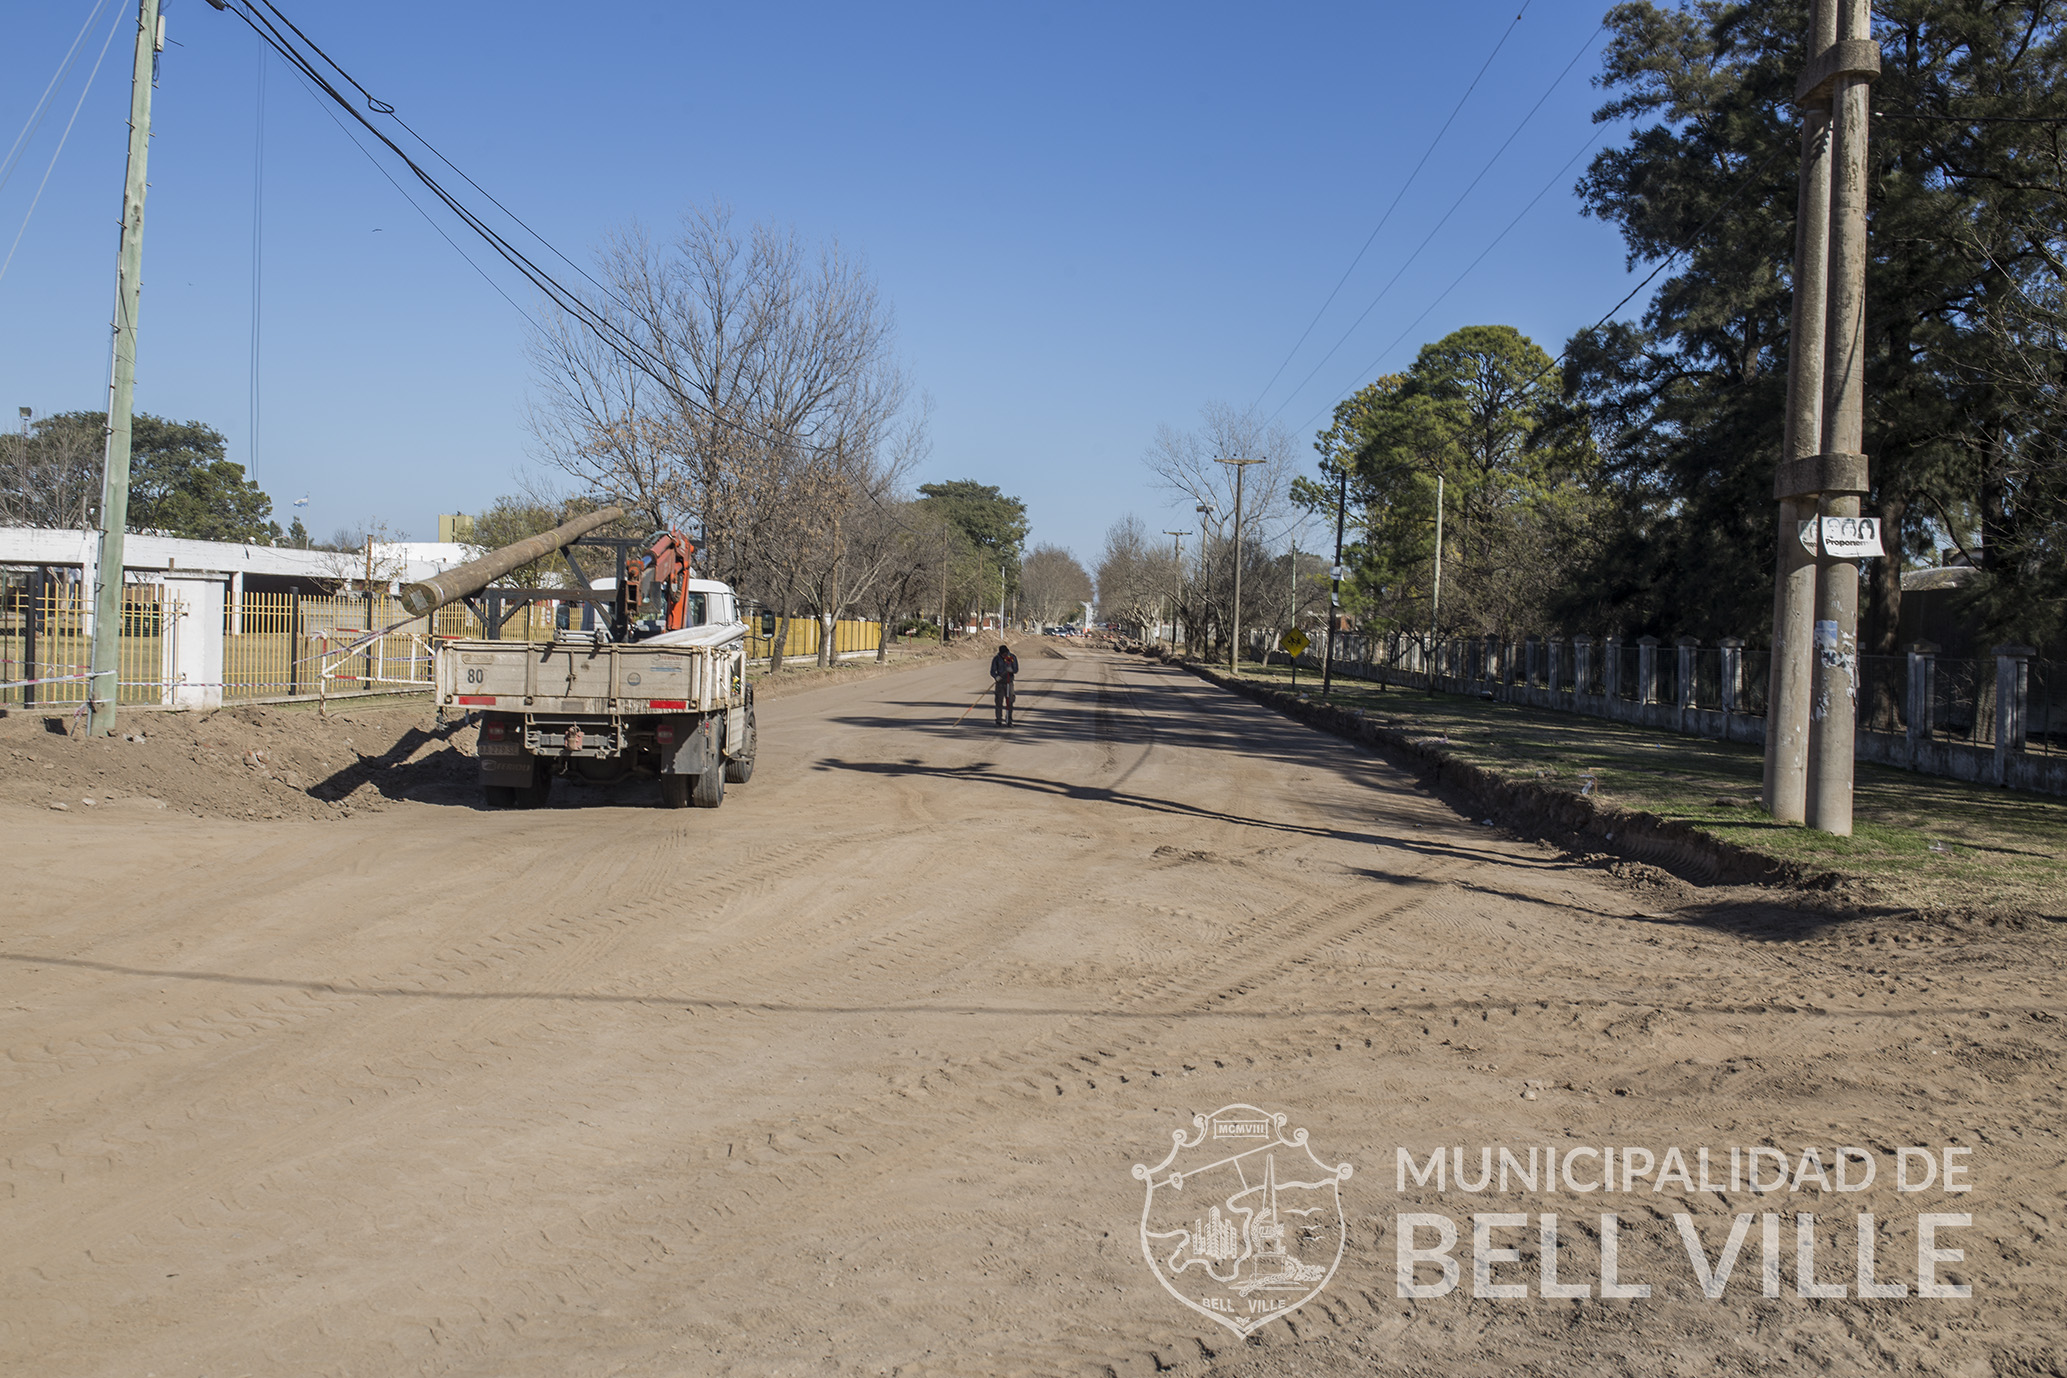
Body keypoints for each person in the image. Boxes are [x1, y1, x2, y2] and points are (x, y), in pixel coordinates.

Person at [989, 643, 1019, 726]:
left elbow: (1016, 669)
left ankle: (1009, 720)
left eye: (1005, 654)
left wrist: (1011, 670)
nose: (1004, 656)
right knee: (998, 702)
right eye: (1002, 654)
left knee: (1010, 702)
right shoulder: (996, 659)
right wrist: (996, 677)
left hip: (1009, 683)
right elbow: (992, 671)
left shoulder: (1012, 657)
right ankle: (998, 720)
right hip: (1000, 683)